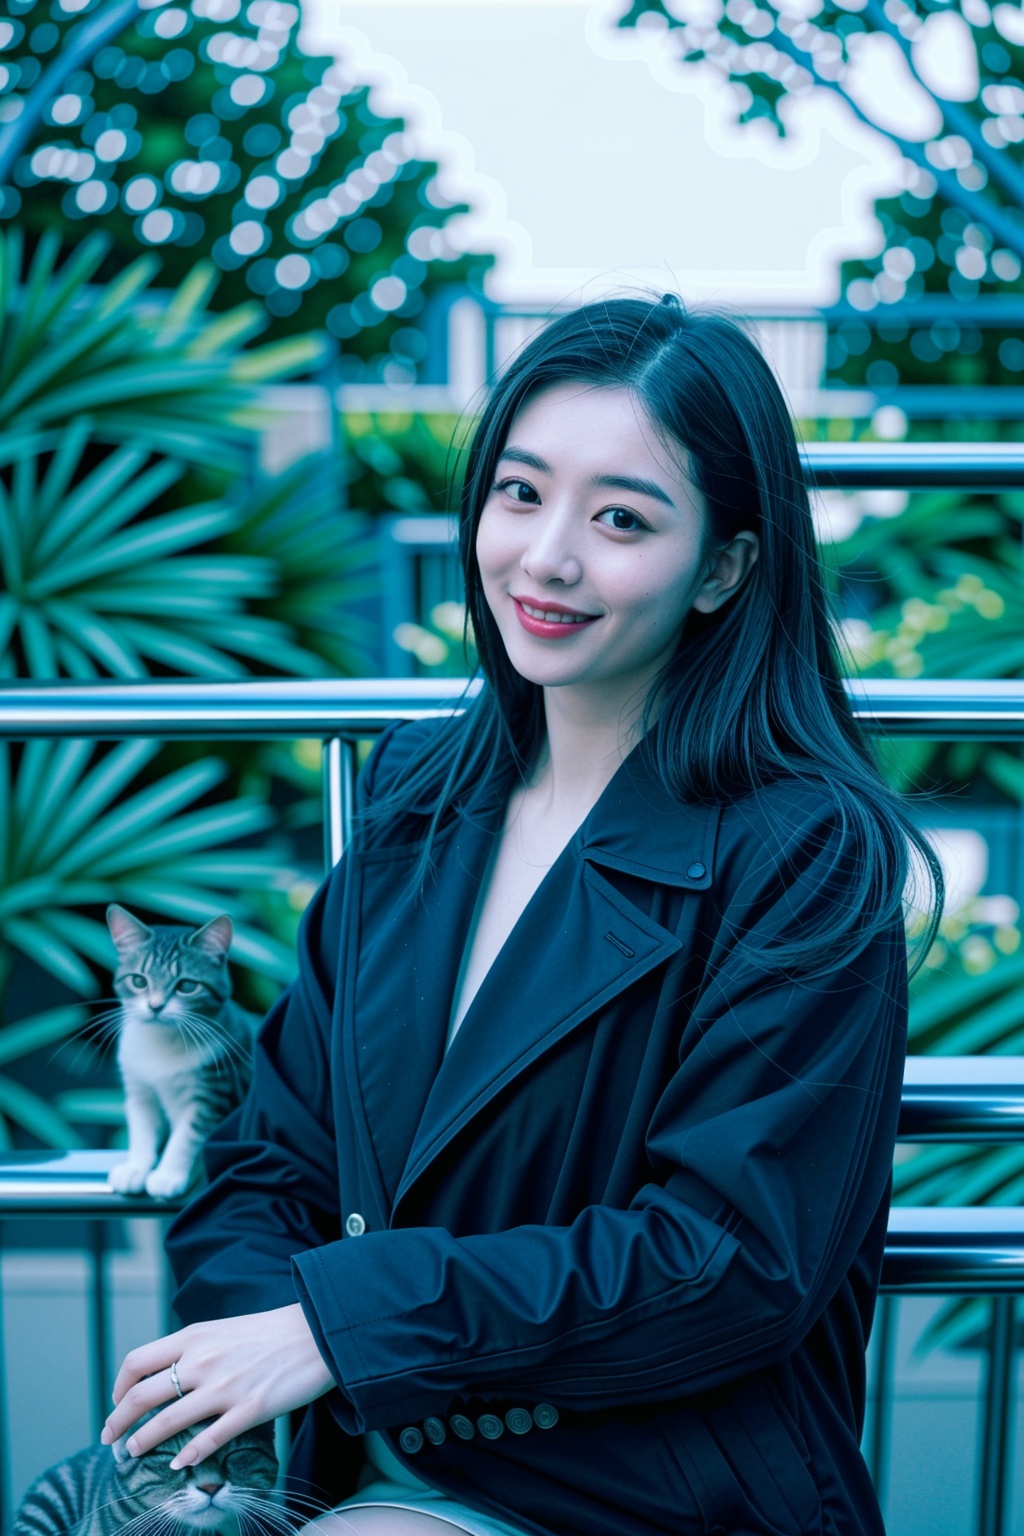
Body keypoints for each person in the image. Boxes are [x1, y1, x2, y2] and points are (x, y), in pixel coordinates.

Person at [101, 294, 941, 1536]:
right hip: (347, 1462)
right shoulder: (418, 798)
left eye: (620, 519)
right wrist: (248, 1367)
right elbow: (268, 1163)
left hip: (637, 1488)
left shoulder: (804, 850)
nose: (547, 557)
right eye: (519, 492)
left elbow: (727, 1260)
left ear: (724, 564)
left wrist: (340, 1327)